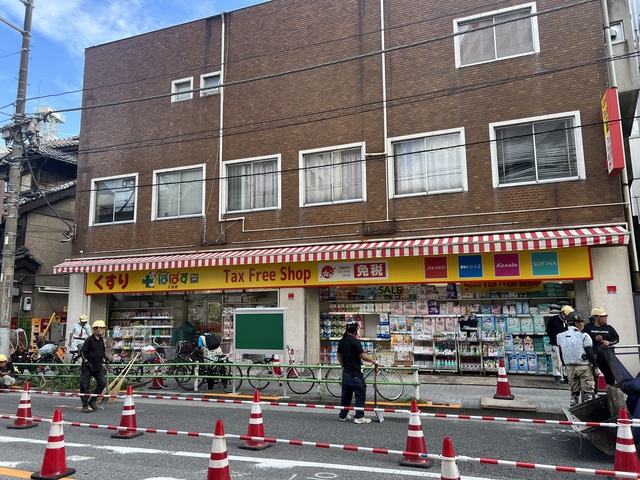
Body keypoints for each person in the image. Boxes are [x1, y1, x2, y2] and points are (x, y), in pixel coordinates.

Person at [337, 323, 377, 424]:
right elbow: (363, 355)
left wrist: (343, 364)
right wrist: (373, 361)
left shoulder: (342, 341)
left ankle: (343, 415)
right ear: (355, 331)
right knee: (360, 392)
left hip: (345, 371)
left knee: (346, 395)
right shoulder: (355, 341)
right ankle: (359, 417)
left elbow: (339, 356)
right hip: (355, 372)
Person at [556, 312, 599, 407]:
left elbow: (560, 351)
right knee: (588, 391)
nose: (583, 324)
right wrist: (595, 365)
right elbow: (589, 351)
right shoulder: (583, 335)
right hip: (584, 366)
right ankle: (588, 411)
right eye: (581, 322)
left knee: (574, 392)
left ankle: (573, 409)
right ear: (576, 323)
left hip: (569, 367)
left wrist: (563, 365)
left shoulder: (560, 336)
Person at [584, 306, 620, 386]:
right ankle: (594, 395)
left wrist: (609, 342)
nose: (605, 318)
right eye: (603, 316)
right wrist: (594, 338)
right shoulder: (588, 327)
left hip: (607, 358)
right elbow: (583, 339)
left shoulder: (609, 328)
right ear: (596, 317)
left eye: (606, 316)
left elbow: (617, 339)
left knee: (610, 379)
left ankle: (610, 395)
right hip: (594, 358)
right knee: (593, 380)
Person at [79, 320, 109, 413]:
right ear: (96, 329)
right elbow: (83, 351)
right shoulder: (89, 340)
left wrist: (106, 360)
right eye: (101, 329)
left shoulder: (101, 340)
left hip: (98, 366)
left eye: (104, 329)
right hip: (88, 367)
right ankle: (84, 405)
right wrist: (86, 360)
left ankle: (93, 400)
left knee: (102, 383)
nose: (103, 331)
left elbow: (102, 352)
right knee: (85, 385)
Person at [546, 305, 573, 384]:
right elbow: (549, 330)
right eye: (567, 315)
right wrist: (554, 339)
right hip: (556, 343)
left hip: (567, 344)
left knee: (566, 360)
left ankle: (566, 376)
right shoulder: (553, 320)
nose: (567, 317)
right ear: (562, 313)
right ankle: (557, 376)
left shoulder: (569, 321)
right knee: (556, 359)